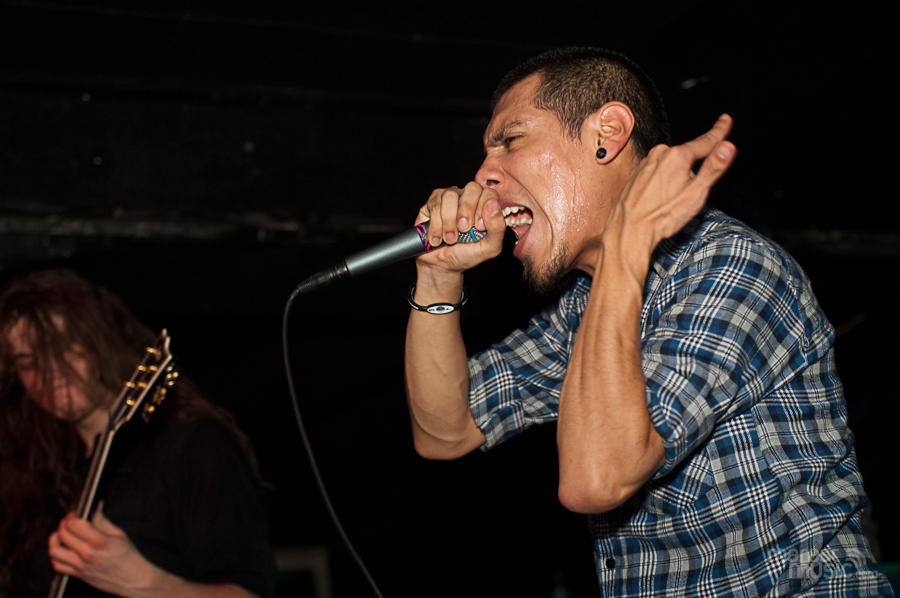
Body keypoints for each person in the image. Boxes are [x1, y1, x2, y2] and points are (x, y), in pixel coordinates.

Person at [403, 47, 894, 596]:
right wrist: (438, 277)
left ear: (606, 134)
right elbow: (445, 432)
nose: (482, 175)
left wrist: (625, 243)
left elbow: (596, 480)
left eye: (511, 140)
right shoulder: (580, 306)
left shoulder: (730, 265)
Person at [0, 269, 277, 597]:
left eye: (61, 346)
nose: (49, 371)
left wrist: (148, 584)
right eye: (28, 362)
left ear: (100, 338)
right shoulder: (32, 471)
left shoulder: (193, 445)